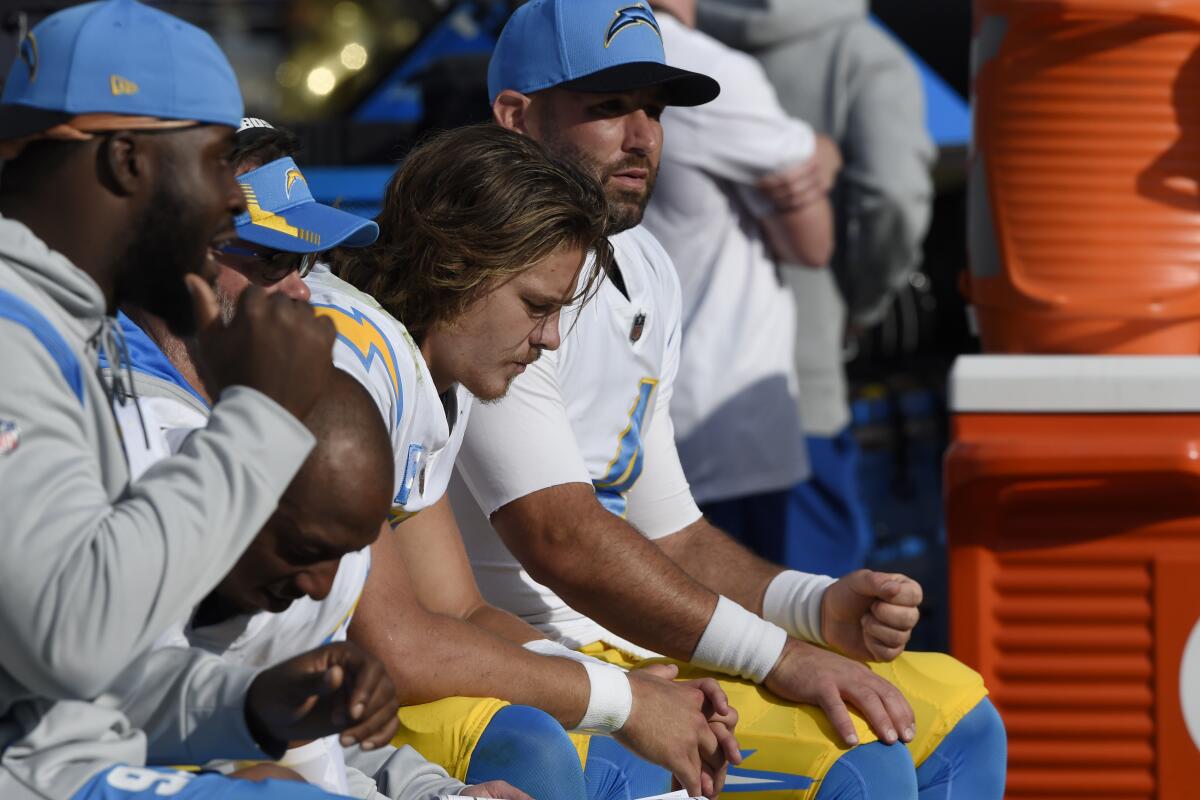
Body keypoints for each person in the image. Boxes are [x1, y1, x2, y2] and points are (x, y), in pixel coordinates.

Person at [449, 0, 1008, 797]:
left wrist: (815, 608)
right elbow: (560, 538)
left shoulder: (644, 265)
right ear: (517, 117)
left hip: (636, 655)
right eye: (609, 107)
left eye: (654, 108)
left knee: (960, 720)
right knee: (862, 759)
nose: (643, 136)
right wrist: (785, 657)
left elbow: (672, 532)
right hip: (533, 675)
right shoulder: (483, 271)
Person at [0, 1, 407, 798]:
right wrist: (260, 416)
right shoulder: (12, 331)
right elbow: (70, 639)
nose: (232, 199)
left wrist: (251, 701)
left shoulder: (73, 328)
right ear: (127, 160)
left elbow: (78, 689)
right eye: (219, 161)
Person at [323, 124, 737, 800]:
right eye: (536, 306)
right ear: (453, 264)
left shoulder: (425, 376)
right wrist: (622, 703)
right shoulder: (359, 357)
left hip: (310, 703)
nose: (547, 339)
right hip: (237, 707)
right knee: (540, 752)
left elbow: (457, 609)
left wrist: (621, 688)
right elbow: (399, 643)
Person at [137, 368, 531, 800]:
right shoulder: (118, 545)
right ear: (233, 490)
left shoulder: (304, 582)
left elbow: (319, 763)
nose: (320, 585)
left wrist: (443, 796)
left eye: (345, 555)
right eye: (306, 550)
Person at [698, 0, 939, 576]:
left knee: (691, 629)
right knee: (820, 621)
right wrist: (861, 304)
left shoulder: (673, 51)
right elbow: (894, 195)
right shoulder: (863, 53)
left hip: (677, 388)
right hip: (798, 389)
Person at [639, 0, 838, 571]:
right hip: (718, 426)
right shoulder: (707, 65)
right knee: (740, 642)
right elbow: (812, 244)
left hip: (631, 413)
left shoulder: (561, 55)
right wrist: (826, 153)